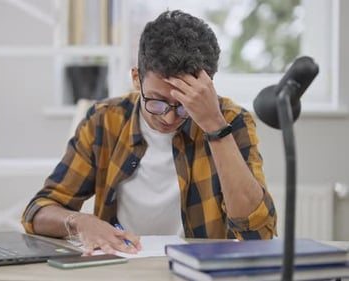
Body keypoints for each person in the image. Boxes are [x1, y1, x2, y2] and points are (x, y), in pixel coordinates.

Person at [22, 10, 277, 255]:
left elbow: (258, 233)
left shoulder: (232, 121)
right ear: (136, 78)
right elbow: (38, 210)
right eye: (155, 101)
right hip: (123, 269)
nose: (168, 117)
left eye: (184, 106)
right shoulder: (104, 120)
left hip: (199, 272)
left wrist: (214, 126)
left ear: (207, 86)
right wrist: (79, 221)